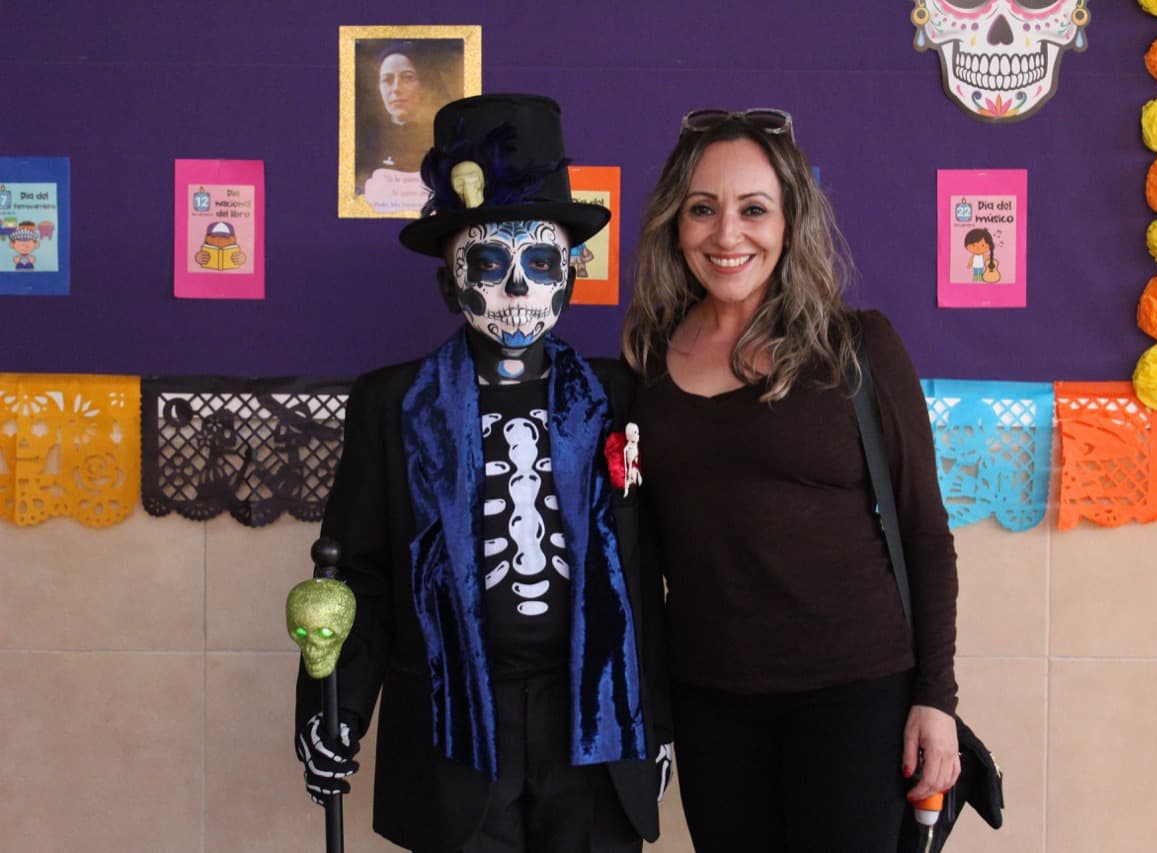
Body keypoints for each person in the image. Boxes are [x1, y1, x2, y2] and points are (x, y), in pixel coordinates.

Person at [296, 93, 672, 853]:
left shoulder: (620, 395)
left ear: (569, 276)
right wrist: (328, 706)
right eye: (488, 263)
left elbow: (650, 574)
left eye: (539, 263)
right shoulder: (394, 402)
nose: (517, 289)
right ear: (449, 282)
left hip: (593, 727)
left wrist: (657, 723)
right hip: (453, 728)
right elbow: (356, 575)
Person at [621, 108, 960, 852]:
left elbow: (924, 530)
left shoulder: (856, 347)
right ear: (676, 224)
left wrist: (935, 697)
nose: (726, 234)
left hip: (856, 695)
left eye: (753, 209)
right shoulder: (645, 361)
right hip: (711, 701)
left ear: (790, 220)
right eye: (702, 209)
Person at [355, 40, 461, 211]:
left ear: (424, 84)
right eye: (387, 80)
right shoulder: (367, 144)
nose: (396, 89)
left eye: (407, 77)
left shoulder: (443, 138)